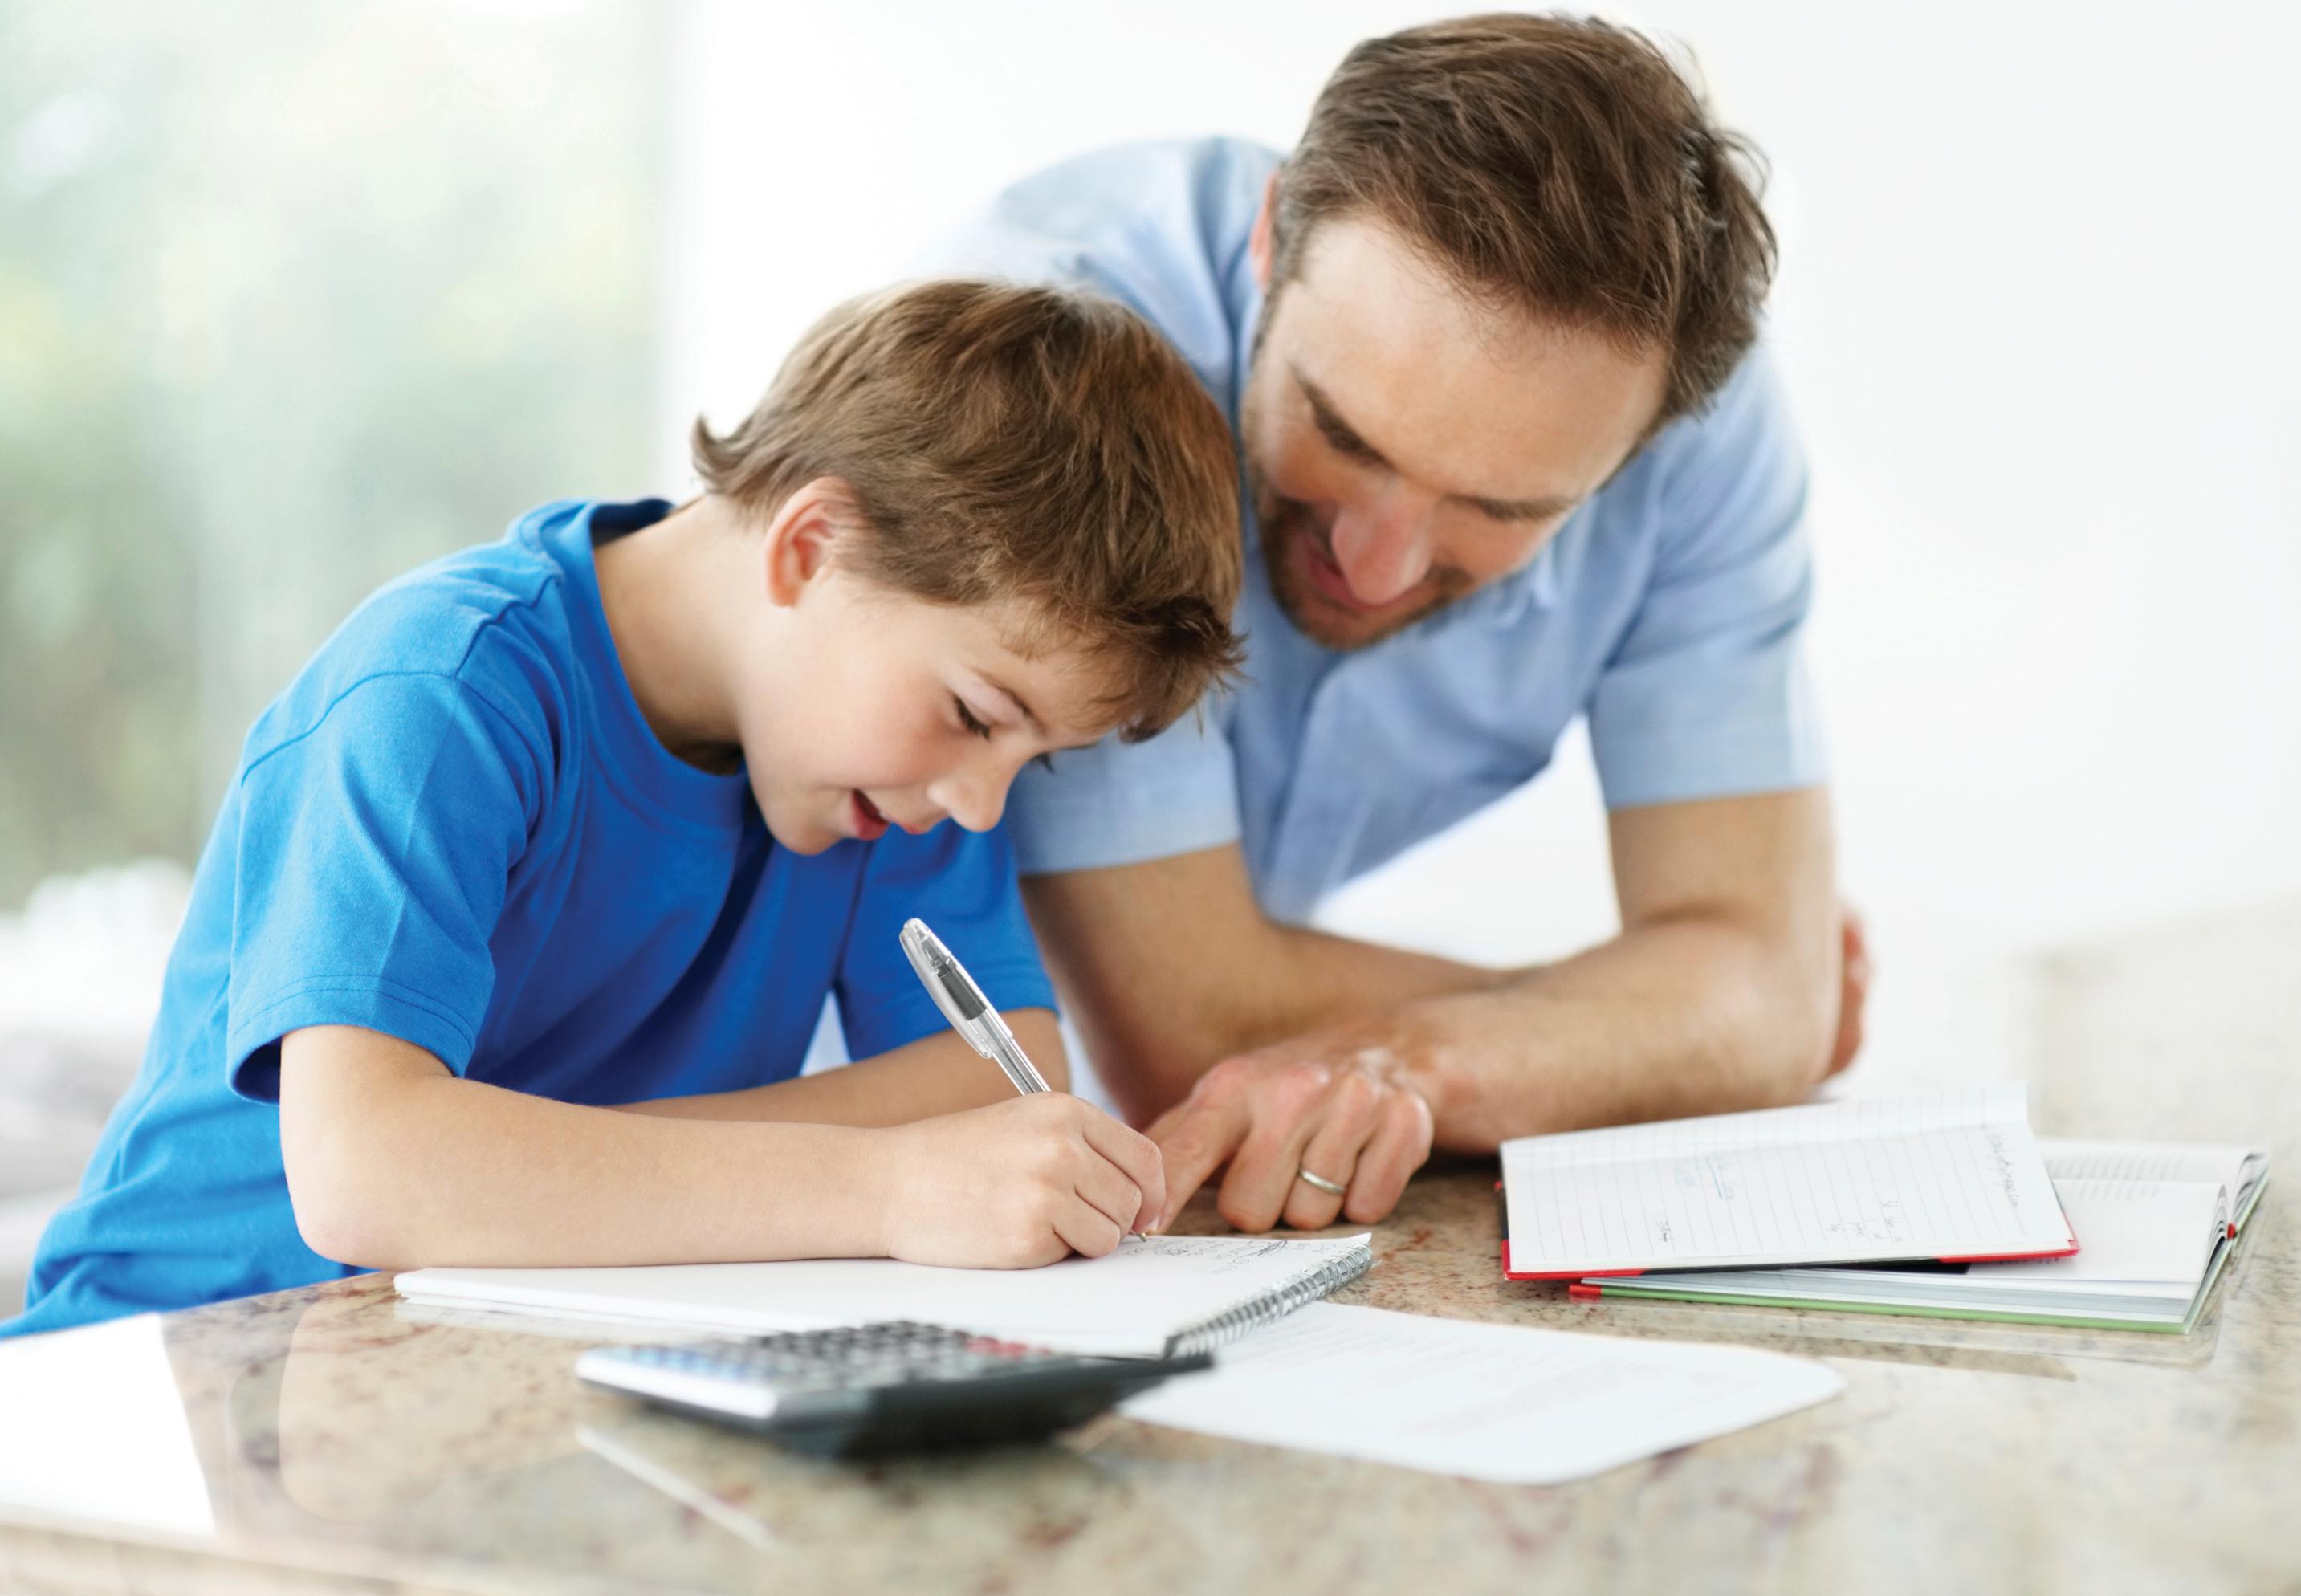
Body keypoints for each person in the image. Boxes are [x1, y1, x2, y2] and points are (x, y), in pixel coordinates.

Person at [3, 280, 1244, 1338]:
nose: (980, 805)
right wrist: (878, 1183)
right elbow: (366, 1174)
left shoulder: (889, 784)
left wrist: (527, 1165)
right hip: (171, 1374)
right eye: (980, 713)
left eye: (1035, 759)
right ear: (812, 549)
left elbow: (989, 1088)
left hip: (505, 1358)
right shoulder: (443, 696)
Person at [922, 13, 1873, 1232]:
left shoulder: (1701, 431)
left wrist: (1421, 1059)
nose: (1376, 568)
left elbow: (1766, 998)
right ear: (1274, 237)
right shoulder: (1053, 363)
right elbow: (1187, 1030)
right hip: (818, 1130)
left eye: (1496, 508)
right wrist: (1670, 1018)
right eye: (1346, 434)